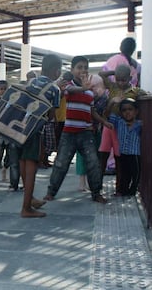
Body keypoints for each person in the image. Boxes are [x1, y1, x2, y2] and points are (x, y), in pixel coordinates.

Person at [44, 56, 107, 204]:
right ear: (72, 70)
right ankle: (51, 192)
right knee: (60, 164)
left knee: (93, 163)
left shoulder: (90, 92)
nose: (83, 70)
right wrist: (83, 88)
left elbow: (92, 112)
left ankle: (96, 193)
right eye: (79, 67)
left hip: (86, 133)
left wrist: (104, 122)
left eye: (85, 67)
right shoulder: (68, 86)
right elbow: (70, 90)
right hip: (69, 133)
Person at [10, 54, 61, 217]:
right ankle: (26, 208)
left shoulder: (32, 81)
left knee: (23, 162)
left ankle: (30, 198)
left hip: (19, 128)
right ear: (56, 71)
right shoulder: (55, 89)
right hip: (35, 130)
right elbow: (52, 115)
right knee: (32, 165)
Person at [99, 64, 146, 195]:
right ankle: (97, 188)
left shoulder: (135, 91)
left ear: (130, 78)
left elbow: (145, 95)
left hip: (122, 127)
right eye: (118, 79)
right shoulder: (112, 86)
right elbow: (101, 74)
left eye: (123, 79)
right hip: (109, 123)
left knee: (120, 158)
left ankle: (120, 189)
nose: (120, 82)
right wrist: (115, 72)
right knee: (102, 156)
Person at [75, 74, 110, 192]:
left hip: (96, 131)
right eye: (91, 87)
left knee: (94, 157)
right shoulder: (84, 95)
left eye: (95, 86)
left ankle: (92, 182)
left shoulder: (103, 98)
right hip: (83, 131)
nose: (93, 89)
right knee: (82, 157)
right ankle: (81, 182)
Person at [106, 98, 141, 196]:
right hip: (123, 153)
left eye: (130, 109)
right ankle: (123, 190)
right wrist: (112, 102)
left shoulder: (139, 124)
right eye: (124, 110)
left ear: (136, 111)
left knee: (135, 173)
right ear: (121, 113)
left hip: (135, 154)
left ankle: (133, 191)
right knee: (124, 173)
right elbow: (107, 115)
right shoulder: (118, 122)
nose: (127, 112)